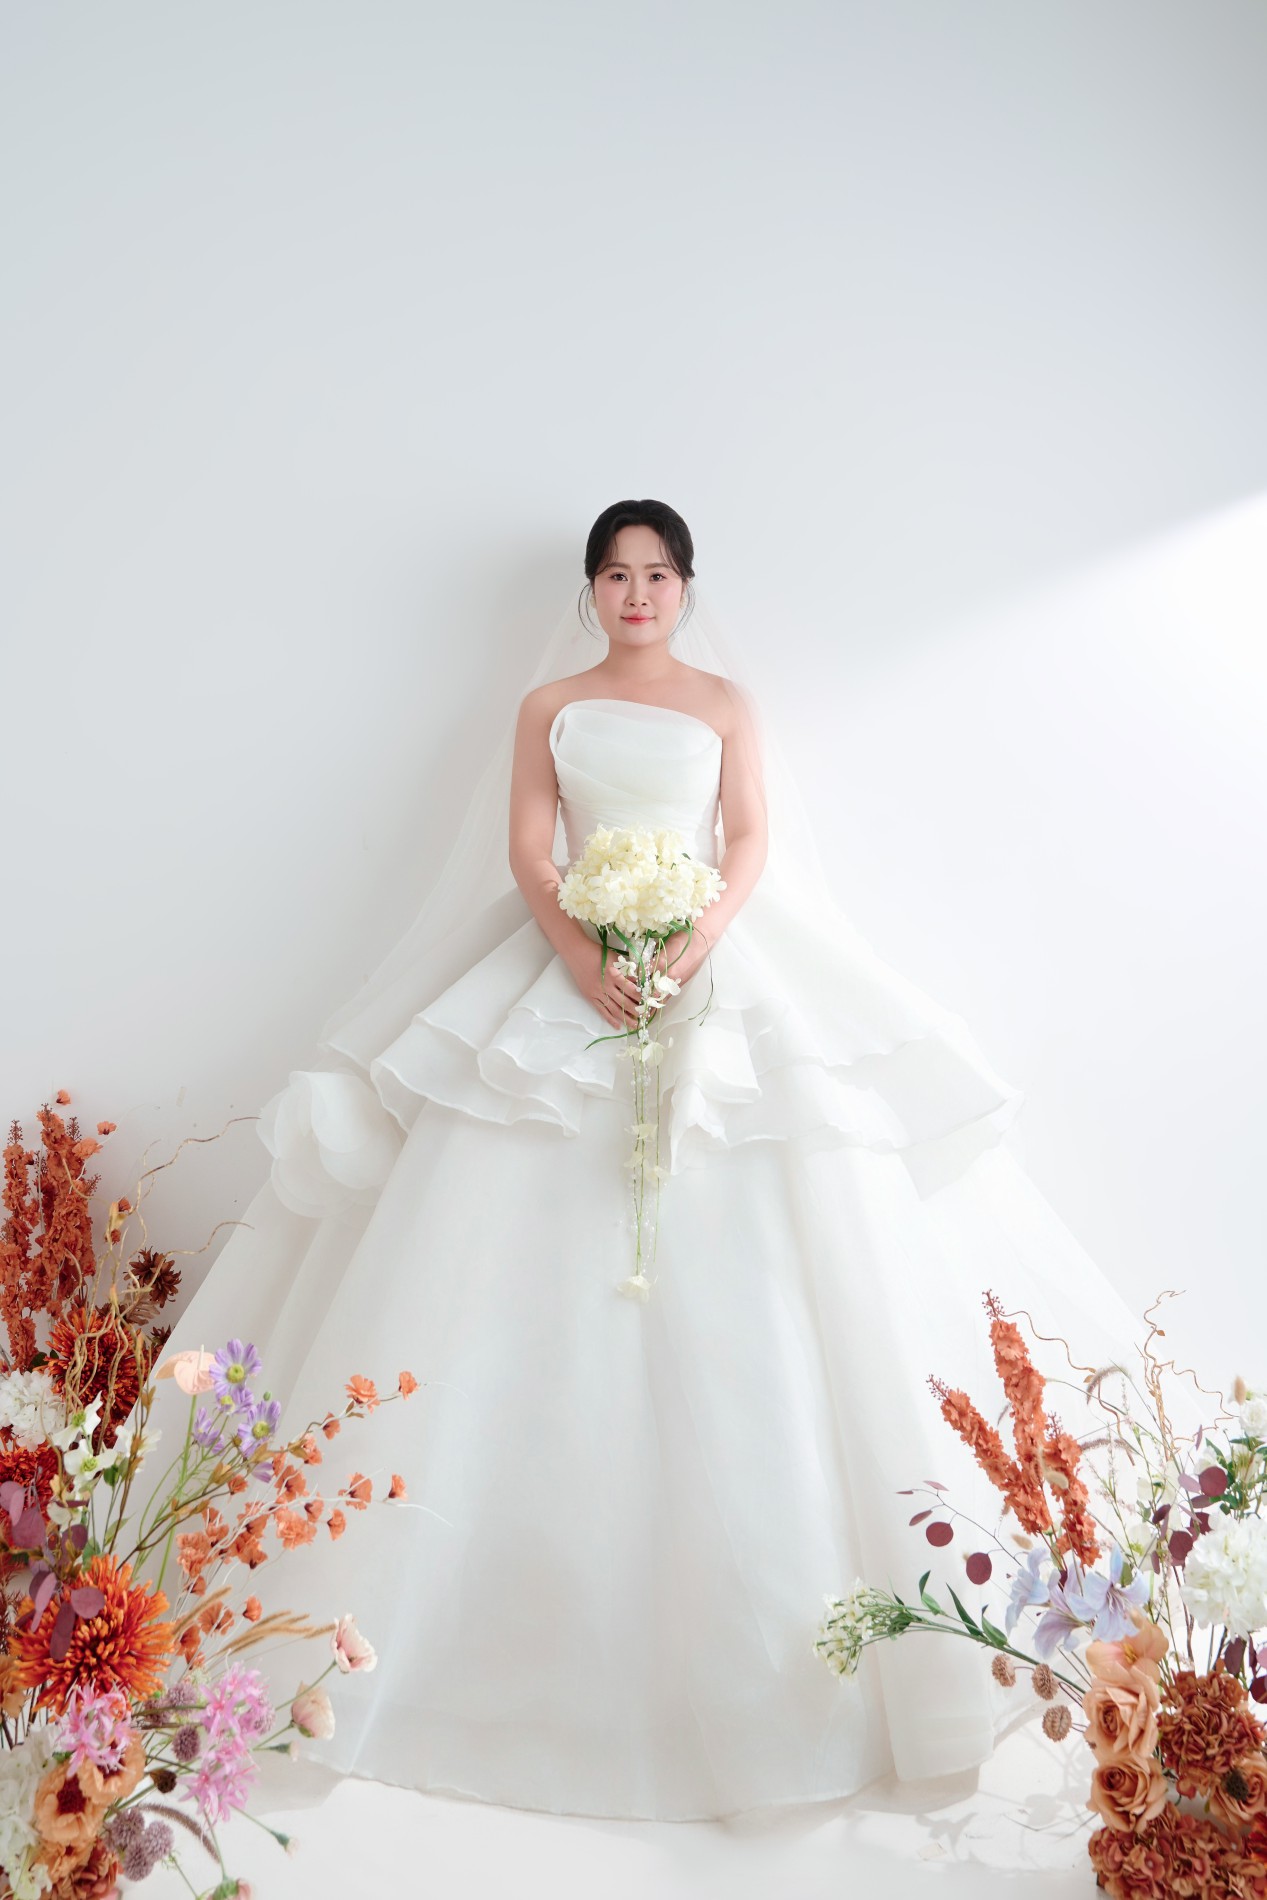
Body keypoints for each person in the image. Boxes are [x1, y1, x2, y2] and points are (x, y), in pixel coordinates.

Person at [142, 498, 1147, 1821]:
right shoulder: (550, 706)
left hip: (701, 958)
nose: (636, 595)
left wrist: (691, 939)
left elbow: (748, 839)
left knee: (766, 1223)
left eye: (657, 575)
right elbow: (527, 849)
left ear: (684, 587)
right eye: (616, 575)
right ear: (591, 590)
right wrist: (580, 954)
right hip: (575, 964)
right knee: (502, 1210)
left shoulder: (726, 704)